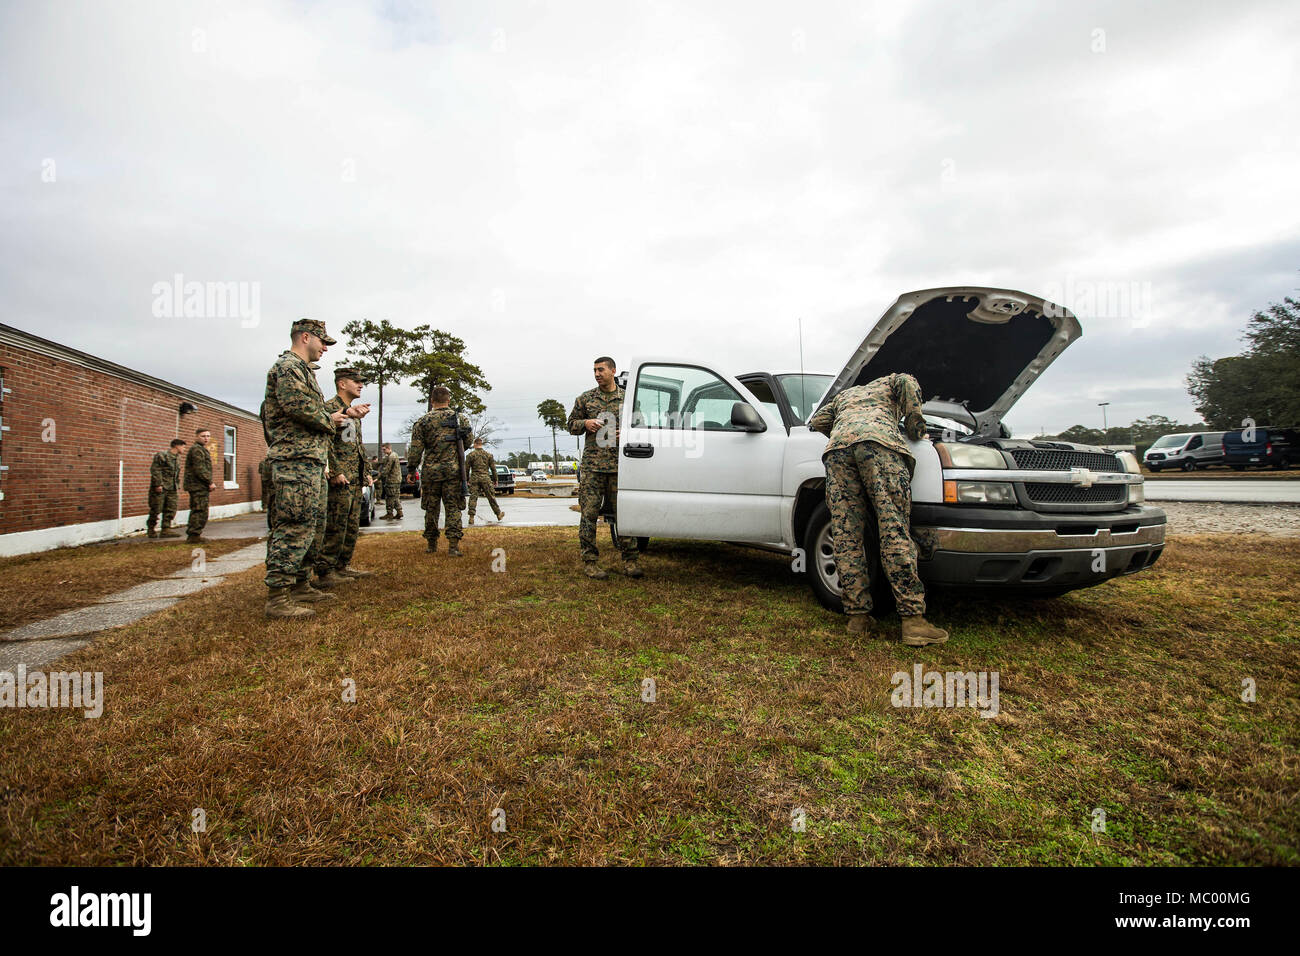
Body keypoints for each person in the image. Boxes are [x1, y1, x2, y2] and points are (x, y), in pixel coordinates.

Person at [807, 372, 948, 646]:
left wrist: (846, 431)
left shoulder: (845, 396)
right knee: (893, 529)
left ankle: (857, 618)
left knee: (846, 537)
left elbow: (818, 421)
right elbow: (909, 381)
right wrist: (914, 417)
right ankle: (913, 621)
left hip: (837, 452)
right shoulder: (893, 380)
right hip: (879, 445)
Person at [261, 317, 351, 618]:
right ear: (304, 337)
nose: (324, 347)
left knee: (310, 524)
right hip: (294, 460)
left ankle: (300, 583)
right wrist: (332, 420)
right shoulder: (288, 367)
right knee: (294, 524)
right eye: (321, 341)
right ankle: (277, 595)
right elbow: (297, 406)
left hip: (308, 459)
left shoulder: (302, 370)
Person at [566, 356, 640, 579]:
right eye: (594, 370)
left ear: (613, 371)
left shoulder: (627, 399)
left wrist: (627, 433)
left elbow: (640, 425)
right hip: (593, 469)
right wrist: (584, 423)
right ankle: (590, 562)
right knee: (588, 515)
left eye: (601, 370)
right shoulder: (586, 399)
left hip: (620, 467)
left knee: (624, 516)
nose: (597, 374)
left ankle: (630, 561)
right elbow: (570, 425)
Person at [315, 367, 375, 584]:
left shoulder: (353, 411)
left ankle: (342, 566)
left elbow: (357, 445)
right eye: (356, 382)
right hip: (340, 478)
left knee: (351, 526)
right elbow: (324, 442)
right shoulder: (329, 410)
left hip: (355, 478)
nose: (360, 386)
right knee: (335, 525)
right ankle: (325, 570)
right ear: (342, 384)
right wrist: (335, 471)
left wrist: (366, 472)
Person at [407, 387, 471, 556]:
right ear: (448, 400)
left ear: (432, 401)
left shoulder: (422, 422)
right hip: (453, 472)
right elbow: (468, 442)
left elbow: (416, 450)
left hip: (430, 473)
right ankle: (453, 546)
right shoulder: (460, 419)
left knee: (431, 508)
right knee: (453, 508)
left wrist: (412, 469)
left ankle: (431, 544)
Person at [147, 438, 186, 538]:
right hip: (161, 487)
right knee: (156, 508)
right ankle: (151, 529)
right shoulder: (162, 455)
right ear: (177, 446)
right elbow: (155, 470)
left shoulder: (177, 458)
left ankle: (166, 529)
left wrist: (177, 485)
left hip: (172, 488)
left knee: (171, 508)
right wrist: (158, 484)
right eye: (183, 446)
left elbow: (176, 474)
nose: (184, 449)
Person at [183, 428, 216, 543]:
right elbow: (200, 469)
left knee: (201, 509)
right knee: (199, 510)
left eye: (208, 436)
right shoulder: (196, 450)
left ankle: (195, 534)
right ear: (196, 437)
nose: (206, 438)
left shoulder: (201, 449)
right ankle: (194, 535)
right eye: (203, 436)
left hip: (200, 486)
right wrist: (210, 482)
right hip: (197, 486)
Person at [465, 437, 505, 525]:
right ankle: (498, 514)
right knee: (491, 497)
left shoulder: (470, 455)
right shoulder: (488, 455)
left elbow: (466, 469)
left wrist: (467, 480)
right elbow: (493, 469)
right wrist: (495, 480)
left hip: (474, 478)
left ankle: (471, 518)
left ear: (475, 444)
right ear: (481, 444)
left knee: (473, 498)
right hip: (485, 478)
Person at [379, 443, 404, 519]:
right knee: (395, 496)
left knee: (390, 497)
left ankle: (390, 513)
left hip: (392, 480)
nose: (383, 451)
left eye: (384, 449)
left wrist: (378, 477)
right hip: (396, 479)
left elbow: (387, 469)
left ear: (388, 448)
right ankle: (399, 511)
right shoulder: (393, 455)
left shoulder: (391, 457)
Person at [258, 456, 274, 529]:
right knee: (266, 494)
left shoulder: (265, 463)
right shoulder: (268, 463)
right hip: (267, 480)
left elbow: (260, 471)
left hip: (267, 479)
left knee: (267, 494)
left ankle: (265, 507)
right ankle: (265, 506)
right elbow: (260, 471)